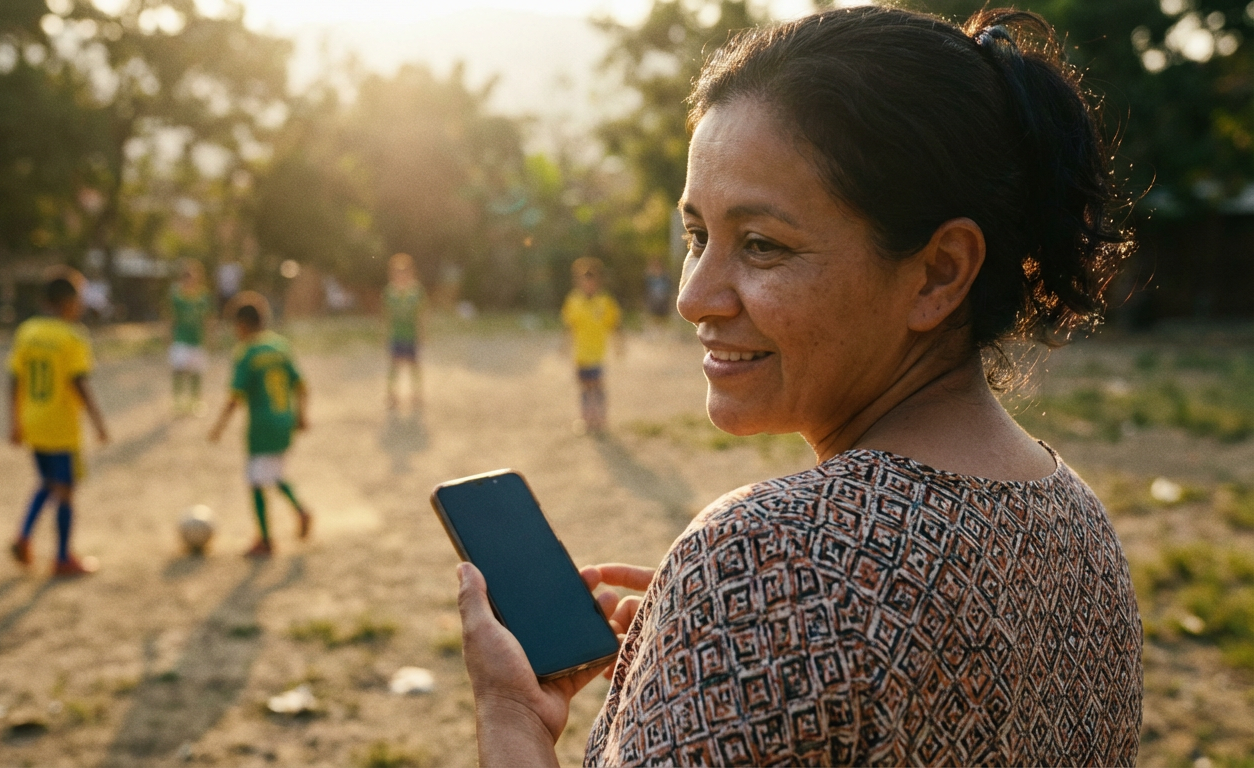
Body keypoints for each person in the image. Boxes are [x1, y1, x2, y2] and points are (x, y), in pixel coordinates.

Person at [456, 6, 1142, 766]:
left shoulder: (766, 565)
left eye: (760, 245)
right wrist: (721, 653)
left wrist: (512, 715)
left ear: (939, 272)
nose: (694, 297)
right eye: (696, 238)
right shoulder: (1081, 528)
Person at [7, 267, 110, 577]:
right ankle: (63, 558)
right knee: (65, 490)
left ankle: (24, 537)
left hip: (32, 421)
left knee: (47, 483)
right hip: (61, 426)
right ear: (68, 302)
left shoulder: (27, 332)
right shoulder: (72, 336)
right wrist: (98, 421)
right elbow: (79, 383)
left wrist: (14, 421)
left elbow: (14, 379)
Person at [208, 292, 311, 558]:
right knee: (273, 473)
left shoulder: (247, 353)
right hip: (284, 420)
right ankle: (301, 511)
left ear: (242, 325)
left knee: (256, 480)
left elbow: (235, 397)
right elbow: (301, 385)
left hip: (262, 426)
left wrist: (219, 427)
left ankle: (265, 539)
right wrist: (301, 416)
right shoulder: (280, 346)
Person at [560, 257, 622, 434]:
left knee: (597, 385)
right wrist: (564, 346)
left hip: (597, 353)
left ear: (597, 282)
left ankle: (601, 419)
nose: (587, 284)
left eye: (591, 281)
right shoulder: (573, 300)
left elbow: (614, 324)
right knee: (584, 386)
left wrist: (619, 345)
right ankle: (586, 418)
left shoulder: (605, 302)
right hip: (581, 353)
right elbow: (569, 326)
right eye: (583, 281)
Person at [167, 259, 212, 416]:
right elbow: (172, 318)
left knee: (196, 372)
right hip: (181, 338)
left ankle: (195, 401)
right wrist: (168, 336)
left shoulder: (202, 297)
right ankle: (178, 401)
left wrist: (209, 338)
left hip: (196, 339)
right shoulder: (177, 296)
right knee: (178, 370)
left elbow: (206, 319)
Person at [383, 253, 426, 410]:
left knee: (414, 365)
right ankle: (392, 394)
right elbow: (387, 316)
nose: (401, 275)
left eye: (404, 272)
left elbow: (420, 314)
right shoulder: (390, 292)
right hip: (396, 335)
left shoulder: (416, 291)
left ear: (411, 273)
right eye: (397, 272)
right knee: (394, 365)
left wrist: (422, 333)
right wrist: (385, 335)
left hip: (411, 335)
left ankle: (417, 394)